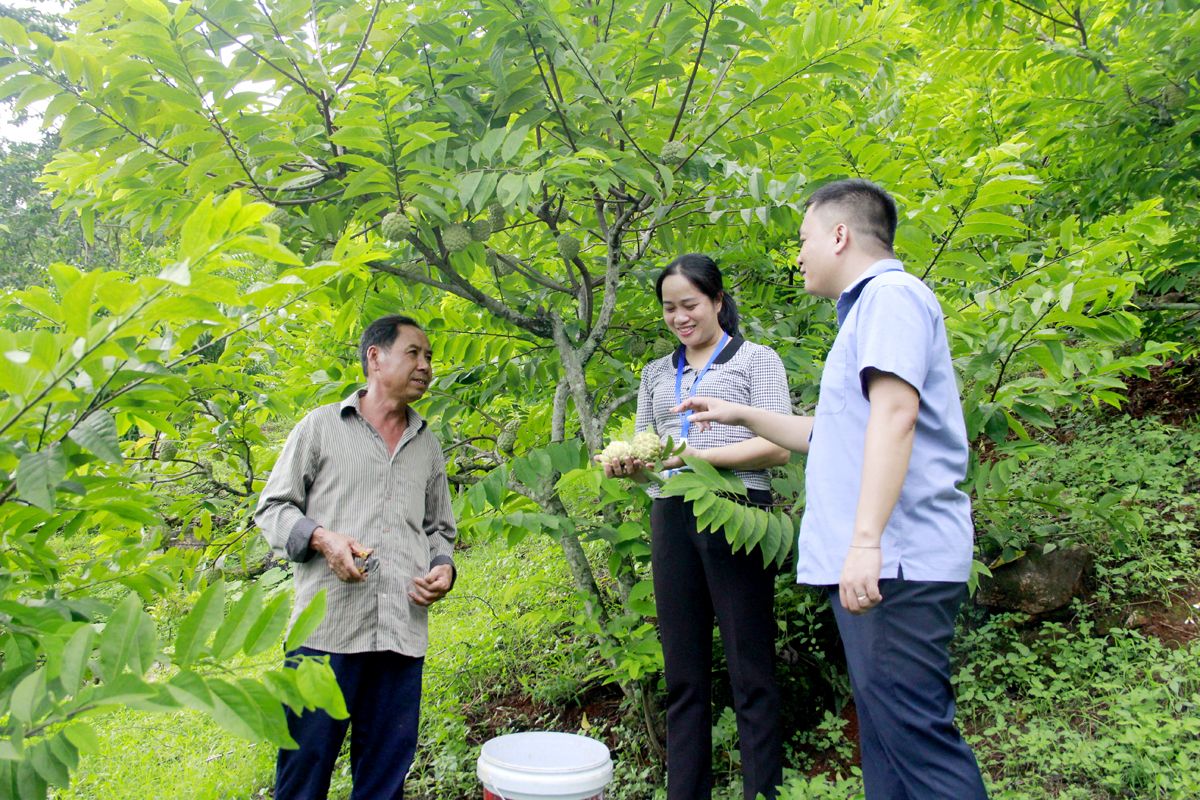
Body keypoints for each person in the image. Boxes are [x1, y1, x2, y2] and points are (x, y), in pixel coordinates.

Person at [674, 180, 989, 800]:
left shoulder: (891, 299)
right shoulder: (868, 314)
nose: (800, 254)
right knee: (888, 748)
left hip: (897, 561)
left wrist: (865, 542)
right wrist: (740, 412)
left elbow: (896, 416)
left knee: (918, 746)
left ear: (839, 235)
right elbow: (834, 432)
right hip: (884, 563)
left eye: (804, 239)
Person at [599, 254, 792, 800]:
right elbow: (651, 454)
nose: (680, 317)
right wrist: (630, 466)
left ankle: (764, 792)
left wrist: (696, 460)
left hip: (738, 511)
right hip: (672, 514)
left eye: (690, 305)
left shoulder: (757, 361)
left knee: (749, 664)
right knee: (683, 672)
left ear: (717, 302)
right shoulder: (657, 374)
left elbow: (778, 445)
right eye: (669, 308)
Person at [256, 314, 457, 800]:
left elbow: (439, 530)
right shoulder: (321, 426)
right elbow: (272, 508)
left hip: (400, 634)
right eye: (414, 353)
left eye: (429, 357)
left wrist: (444, 568)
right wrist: (324, 538)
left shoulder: (427, 445)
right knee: (303, 774)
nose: (426, 366)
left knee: (384, 779)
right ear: (375, 357)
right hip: (326, 634)